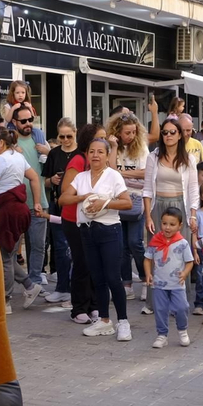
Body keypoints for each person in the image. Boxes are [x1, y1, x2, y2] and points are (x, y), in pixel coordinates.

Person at [60, 137, 134, 340]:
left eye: (100, 152)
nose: (95, 155)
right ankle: (104, 321)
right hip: (86, 231)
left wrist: (105, 203)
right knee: (97, 278)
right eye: (92, 151)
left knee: (112, 277)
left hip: (109, 231)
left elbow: (127, 203)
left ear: (107, 154)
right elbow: (63, 199)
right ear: (87, 154)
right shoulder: (81, 177)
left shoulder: (113, 176)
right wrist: (82, 197)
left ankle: (123, 322)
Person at [0, 127, 43, 311]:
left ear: (1, 142)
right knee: (8, 255)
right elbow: (34, 177)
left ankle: (5, 301)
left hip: (6, 212)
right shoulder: (17, 156)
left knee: (4, 258)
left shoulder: (1, 159)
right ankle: (30, 286)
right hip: (18, 211)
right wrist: (36, 202)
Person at [59, 123, 100, 324]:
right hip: (73, 219)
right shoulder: (78, 160)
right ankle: (78, 308)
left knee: (92, 262)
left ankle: (93, 305)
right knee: (82, 263)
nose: (105, 140)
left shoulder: (98, 160)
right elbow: (65, 191)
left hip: (90, 220)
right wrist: (84, 196)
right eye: (100, 137)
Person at [9, 102, 49, 305]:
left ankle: (34, 282)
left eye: (30, 120)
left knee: (38, 246)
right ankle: (24, 283)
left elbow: (49, 169)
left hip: (39, 201)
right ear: (15, 122)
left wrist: (48, 152)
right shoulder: (11, 145)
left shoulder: (39, 141)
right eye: (23, 121)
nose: (28, 124)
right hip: (17, 203)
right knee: (12, 248)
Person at [107, 110, 150, 304]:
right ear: (118, 132)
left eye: (133, 132)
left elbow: (146, 172)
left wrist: (122, 173)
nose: (131, 136)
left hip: (137, 201)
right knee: (122, 246)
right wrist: (114, 147)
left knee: (135, 243)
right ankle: (126, 283)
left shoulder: (141, 148)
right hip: (118, 200)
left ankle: (145, 278)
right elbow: (110, 170)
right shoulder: (112, 147)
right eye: (127, 132)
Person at [144, 208, 194, 348]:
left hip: (177, 284)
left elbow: (189, 262)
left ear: (180, 226)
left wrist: (185, 273)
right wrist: (148, 274)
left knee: (181, 307)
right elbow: (147, 259)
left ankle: (182, 330)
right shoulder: (156, 240)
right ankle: (162, 335)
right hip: (159, 284)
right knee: (160, 310)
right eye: (165, 223)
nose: (167, 227)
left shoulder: (183, 243)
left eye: (172, 224)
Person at [42, 118, 78, 306]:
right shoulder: (54, 153)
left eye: (69, 136)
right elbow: (45, 180)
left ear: (75, 133)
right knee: (60, 247)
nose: (65, 140)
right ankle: (62, 288)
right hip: (57, 205)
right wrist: (53, 181)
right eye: (61, 136)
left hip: (76, 206)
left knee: (75, 249)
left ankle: (75, 289)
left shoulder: (81, 154)